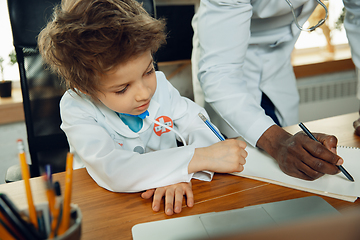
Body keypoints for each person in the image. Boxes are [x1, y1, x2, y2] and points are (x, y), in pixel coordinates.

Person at [38, 0, 247, 216]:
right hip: (105, 210)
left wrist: (178, 176)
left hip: (165, 205)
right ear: (86, 88)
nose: (145, 93)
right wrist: (191, 161)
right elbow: (113, 170)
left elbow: (199, 125)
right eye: (122, 89)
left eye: (148, 71)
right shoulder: (77, 106)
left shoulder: (161, 86)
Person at [192, 0, 360, 181]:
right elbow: (219, 72)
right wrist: (279, 142)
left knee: (289, 171)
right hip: (225, 60)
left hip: (279, 59)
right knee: (237, 171)